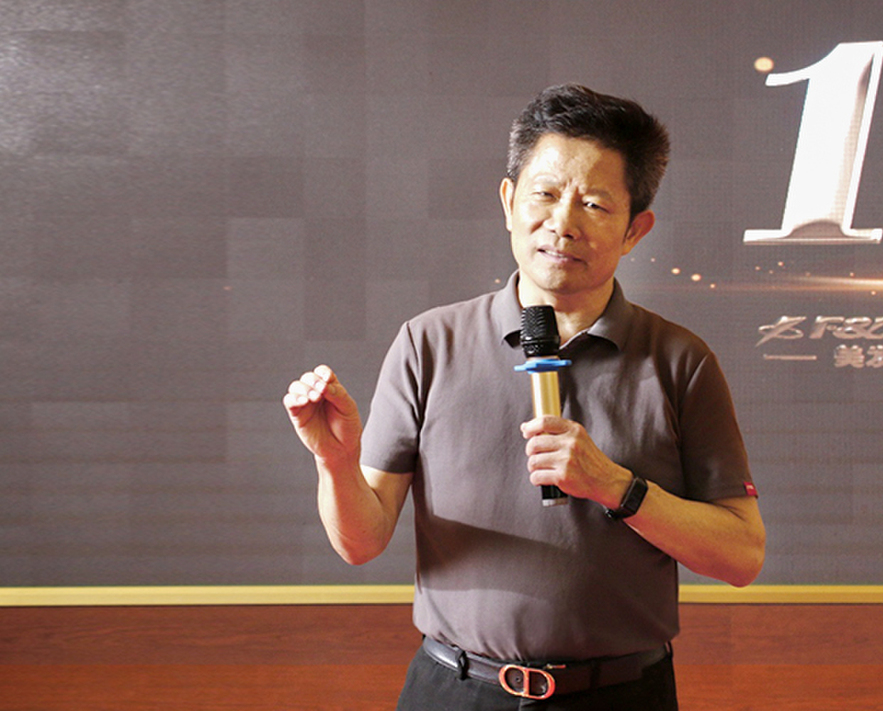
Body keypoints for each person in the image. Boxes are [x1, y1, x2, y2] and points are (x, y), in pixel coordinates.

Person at [283, 84, 764, 710]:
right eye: (544, 194)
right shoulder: (428, 343)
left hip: (621, 694)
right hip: (456, 690)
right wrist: (335, 461)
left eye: (594, 204)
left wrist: (615, 487)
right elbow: (360, 542)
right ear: (509, 201)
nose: (563, 223)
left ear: (634, 230)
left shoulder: (680, 360)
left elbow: (741, 556)